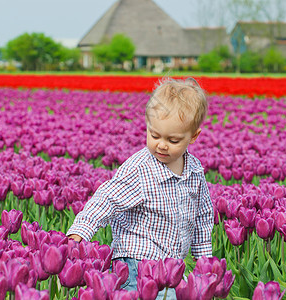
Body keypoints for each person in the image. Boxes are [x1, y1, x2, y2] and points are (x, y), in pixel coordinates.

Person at [67, 77, 213, 299]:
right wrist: (82, 229)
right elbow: (108, 198)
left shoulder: (194, 170)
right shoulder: (140, 169)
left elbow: (203, 216)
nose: (161, 144)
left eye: (173, 140)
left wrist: (204, 261)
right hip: (135, 264)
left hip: (172, 265)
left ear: (193, 136)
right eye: (154, 135)